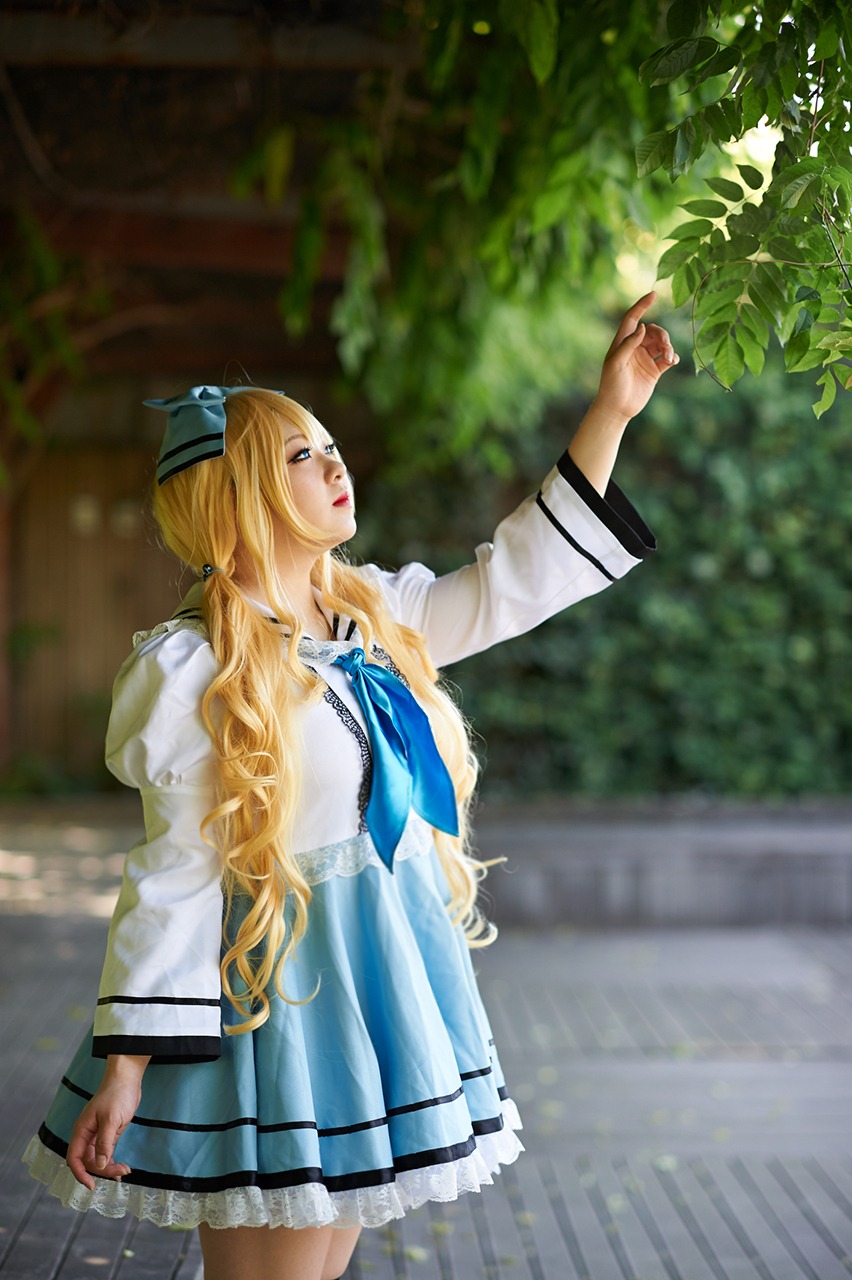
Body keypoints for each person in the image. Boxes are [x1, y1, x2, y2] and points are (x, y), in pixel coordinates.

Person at [24, 293, 677, 1280]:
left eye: (331, 444)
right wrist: (128, 1065)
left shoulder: (373, 613)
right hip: (276, 997)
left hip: (377, 988)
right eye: (300, 453)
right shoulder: (190, 667)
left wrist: (613, 411)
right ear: (237, 490)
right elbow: (175, 870)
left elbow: (515, 581)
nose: (335, 462)